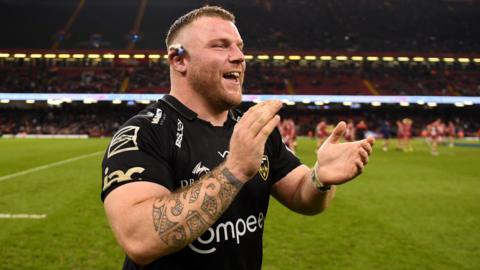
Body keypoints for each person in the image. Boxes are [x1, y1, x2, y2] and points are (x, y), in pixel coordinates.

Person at [101, 6, 374, 270]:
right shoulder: (143, 133)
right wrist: (235, 170)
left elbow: (302, 196)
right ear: (179, 60)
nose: (240, 57)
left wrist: (320, 178)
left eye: (240, 47)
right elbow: (139, 239)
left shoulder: (252, 123)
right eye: (220, 45)